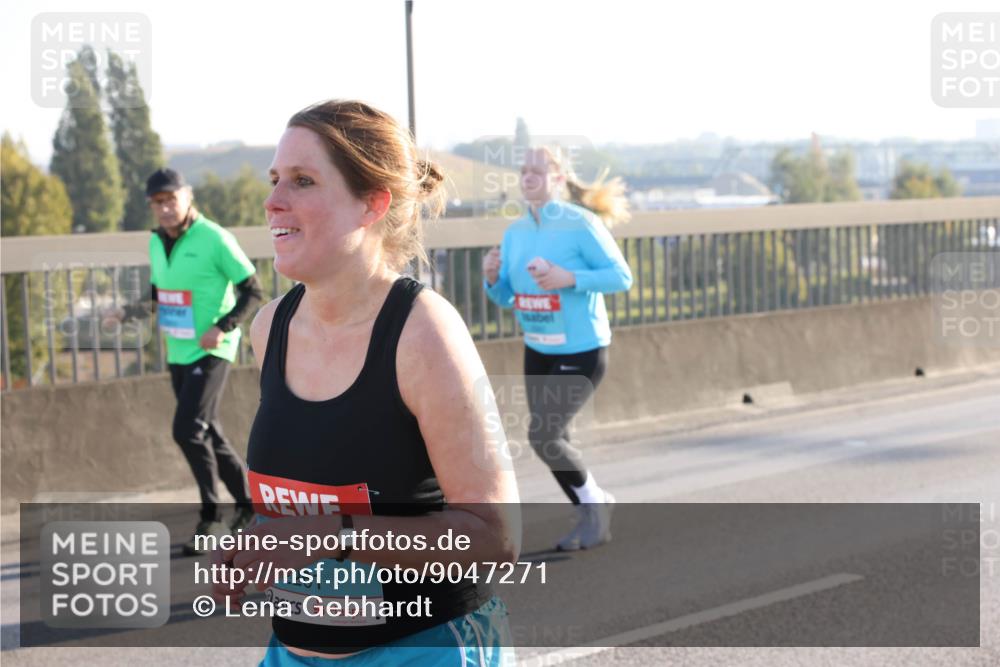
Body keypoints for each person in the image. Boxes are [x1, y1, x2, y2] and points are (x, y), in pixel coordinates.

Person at [212, 100, 520, 665]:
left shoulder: (424, 334)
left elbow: (496, 539)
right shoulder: (269, 328)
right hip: (292, 653)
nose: (273, 200)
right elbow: (302, 498)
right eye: (275, 178)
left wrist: (332, 534)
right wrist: (253, 551)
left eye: (302, 181)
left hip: (423, 650)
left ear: (372, 204)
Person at [482, 146, 632, 551]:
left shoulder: (579, 223)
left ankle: (594, 509)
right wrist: (492, 278)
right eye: (523, 170)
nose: (528, 176)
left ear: (559, 179)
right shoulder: (515, 233)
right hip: (539, 348)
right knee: (554, 437)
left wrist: (569, 277)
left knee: (543, 435)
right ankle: (592, 508)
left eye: (538, 170)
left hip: (582, 348)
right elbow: (507, 297)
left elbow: (621, 277)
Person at [112, 168, 263, 554]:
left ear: (187, 197)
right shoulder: (156, 242)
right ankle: (249, 507)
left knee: (187, 430)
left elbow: (252, 289)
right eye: (157, 202)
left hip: (213, 349)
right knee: (207, 429)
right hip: (178, 350)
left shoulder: (214, 238)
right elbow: (161, 291)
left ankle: (211, 518)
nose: (164, 208)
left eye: (170, 199)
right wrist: (128, 312)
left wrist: (222, 326)